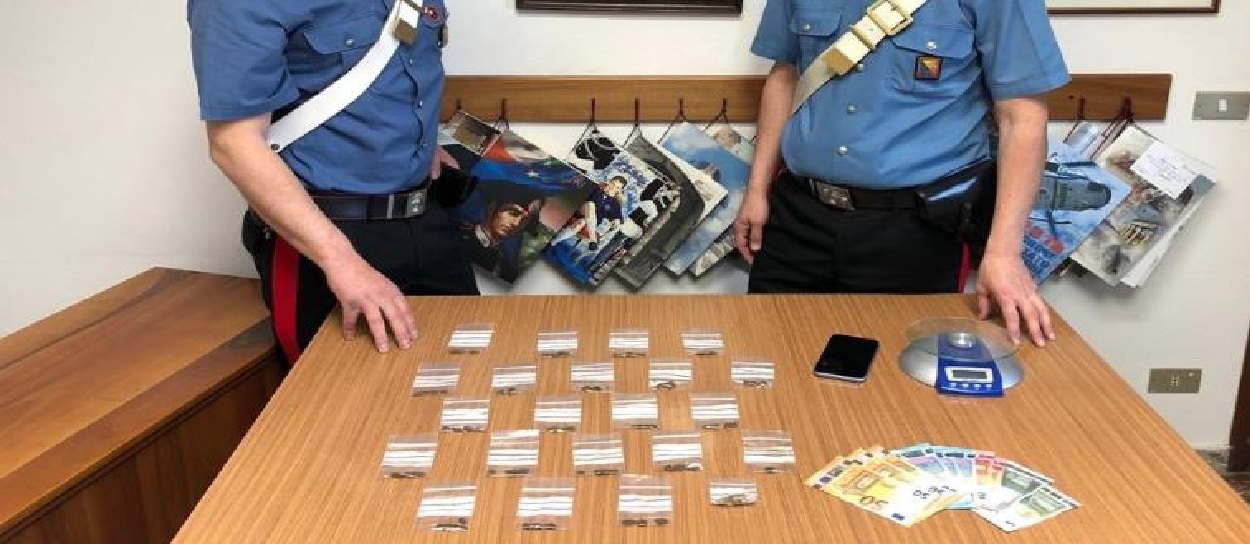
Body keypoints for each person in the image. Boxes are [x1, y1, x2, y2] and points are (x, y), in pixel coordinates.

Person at [734, 0, 1067, 347]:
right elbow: (786, 76)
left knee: (899, 365)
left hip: (916, 229)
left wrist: (1004, 254)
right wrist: (757, 191)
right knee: (774, 350)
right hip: (798, 215)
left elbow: (1022, 118)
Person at [187, 0, 478, 366]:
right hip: (327, 238)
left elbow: (399, 71)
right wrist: (341, 262)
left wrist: (417, 146)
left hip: (426, 217)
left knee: (467, 374)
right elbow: (233, 143)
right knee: (339, 394)